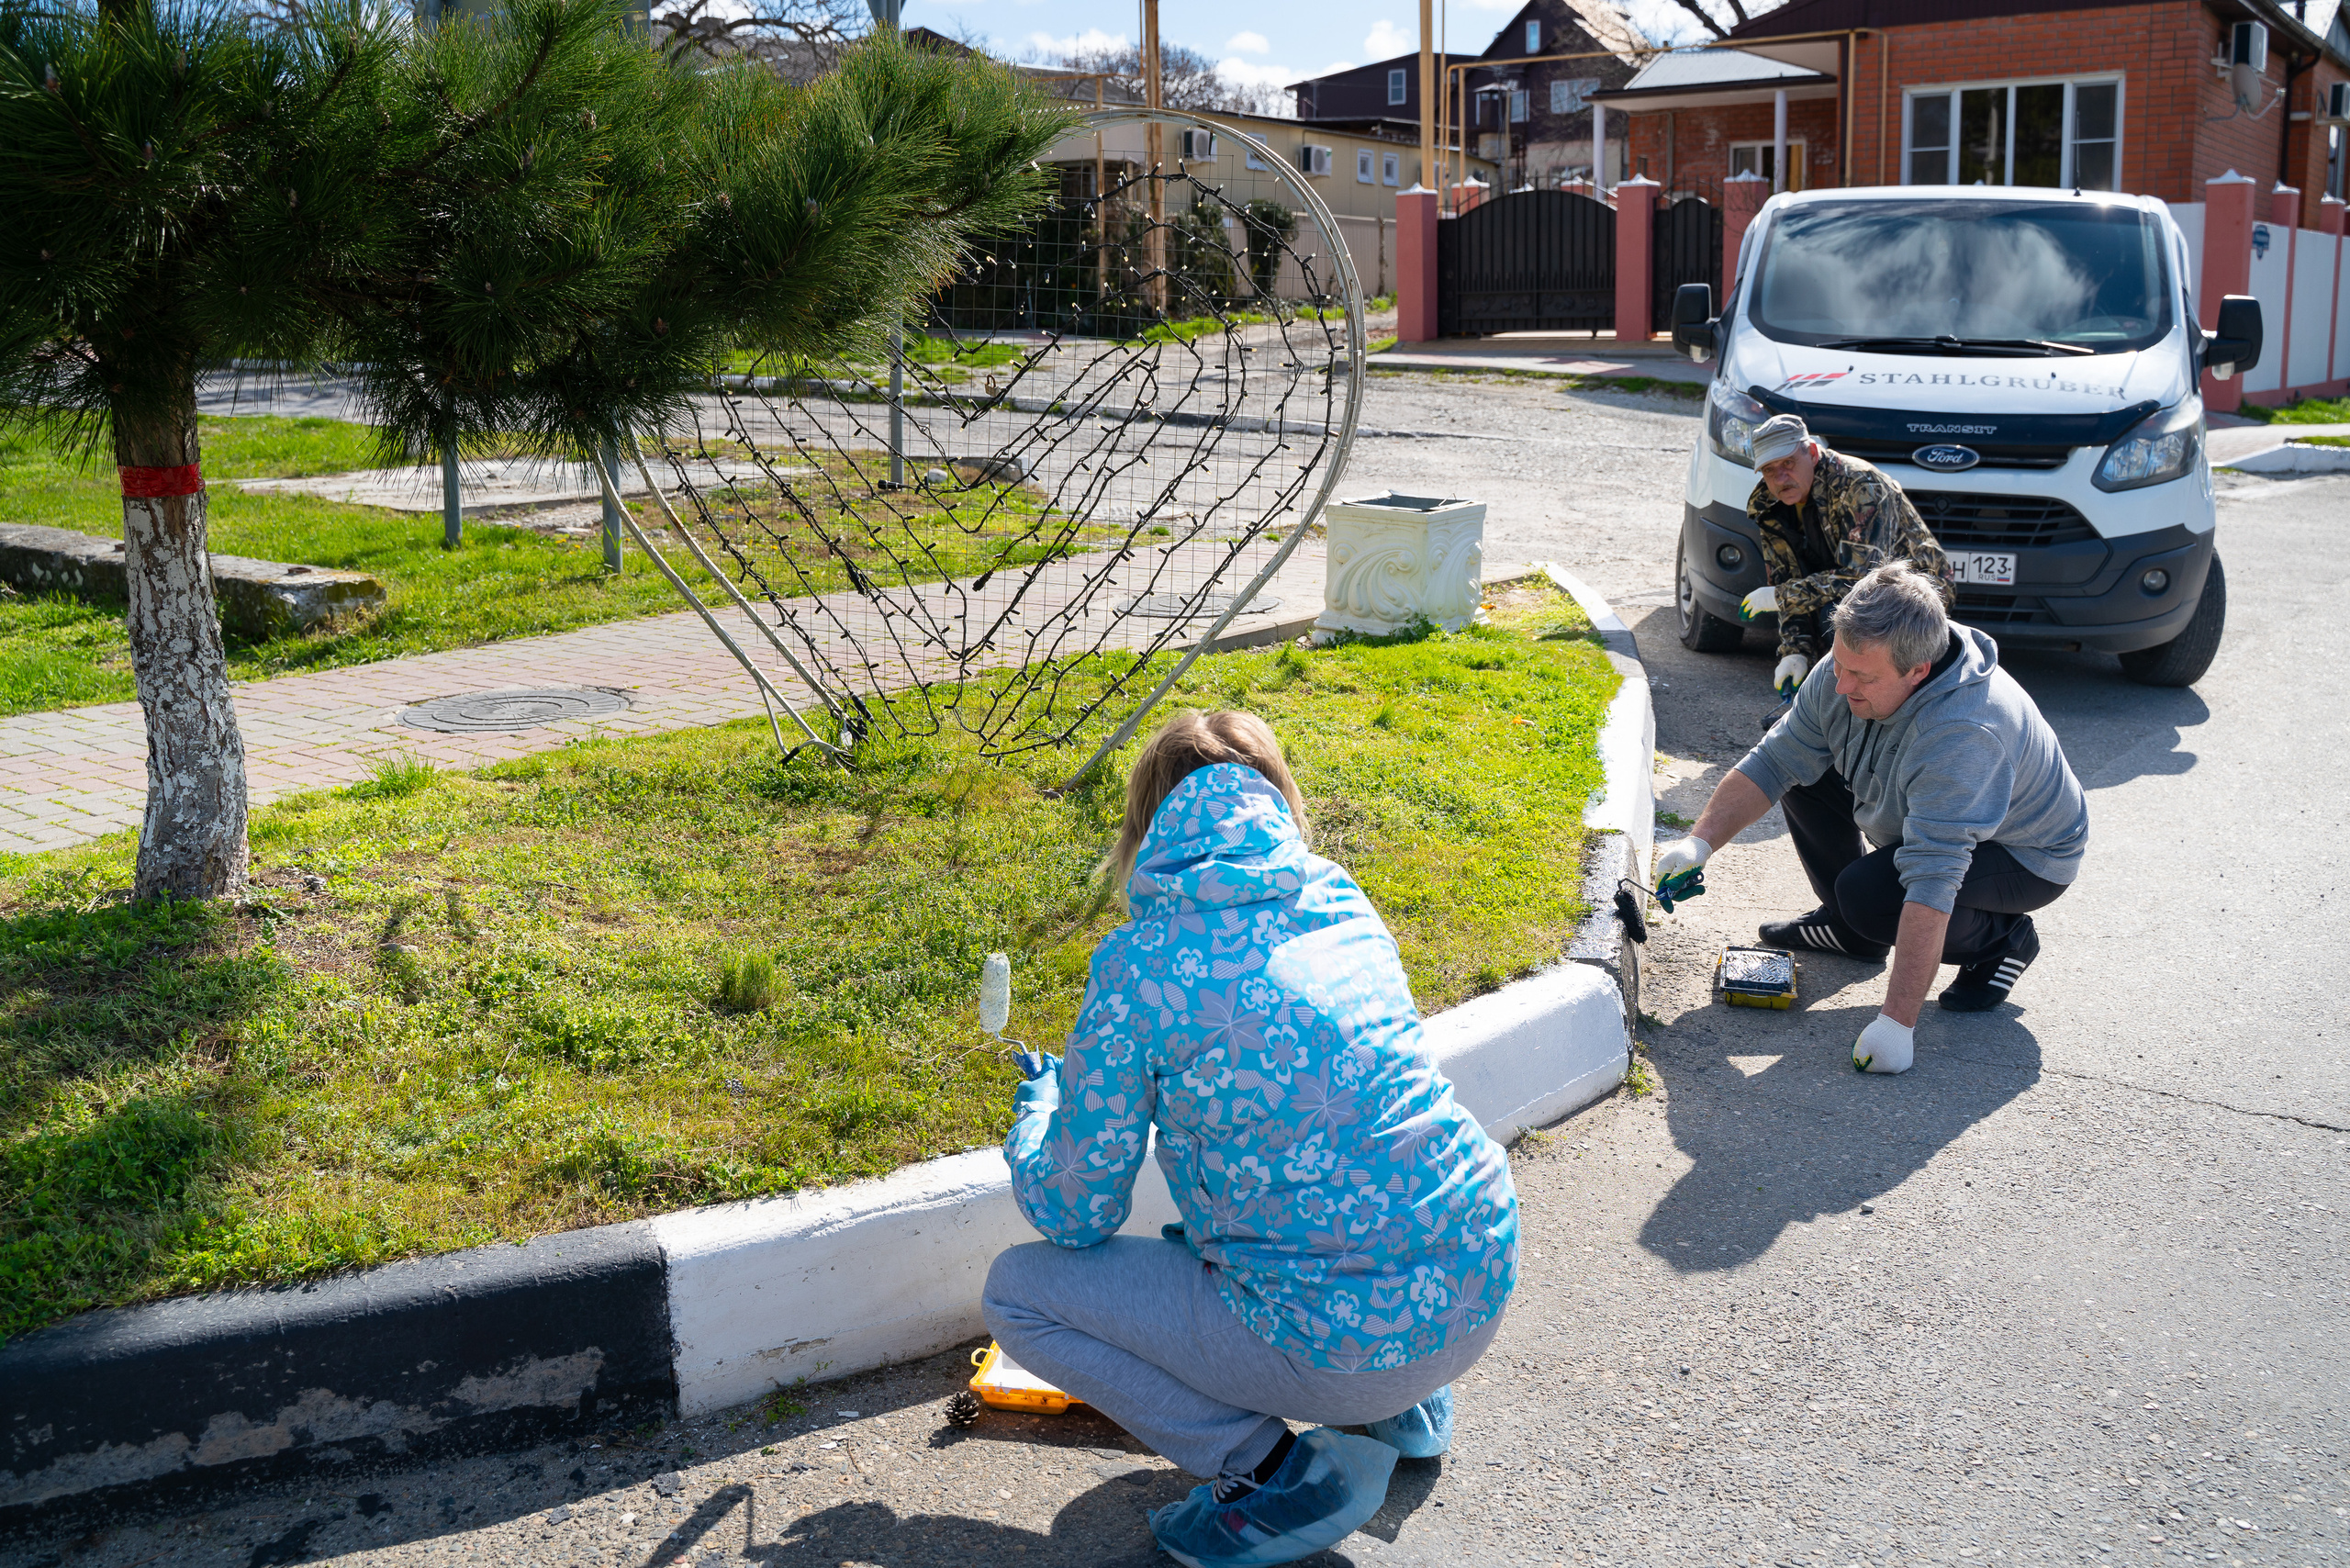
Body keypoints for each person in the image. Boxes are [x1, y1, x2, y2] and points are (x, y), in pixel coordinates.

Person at [984, 710, 1518, 1568]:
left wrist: (1038, 1112)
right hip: (1474, 1285)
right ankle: (1401, 1413)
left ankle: (1271, 1471)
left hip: (1343, 1341)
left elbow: (1073, 1210)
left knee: (1018, 1293)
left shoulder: (1140, 966)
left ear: (1146, 826)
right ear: (1277, 802)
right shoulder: (1337, 894)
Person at [1654, 563, 2088, 1075]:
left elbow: (1932, 880)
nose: (1840, 685)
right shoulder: (1851, 665)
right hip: (1925, 810)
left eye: (1861, 677)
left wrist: (1897, 1023)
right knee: (1802, 761)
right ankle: (1852, 931)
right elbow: (1775, 760)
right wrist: (1698, 843)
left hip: (2023, 853)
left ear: (1918, 670)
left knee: (1870, 895)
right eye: (1838, 663)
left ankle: (2002, 941)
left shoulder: (1966, 734)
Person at [1737, 413, 1955, 697]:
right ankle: (1824, 711)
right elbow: (1789, 579)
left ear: (1813, 453)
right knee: (1829, 618)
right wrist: (1795, 651)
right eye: (1769, 470)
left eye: (1788, 463)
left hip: (1916, 597)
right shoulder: (1769, 508)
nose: (1781, 478)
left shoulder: (1861, 485)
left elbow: (1862, 578)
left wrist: (1777, 597)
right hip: (1846, 593)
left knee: (1842, 620)